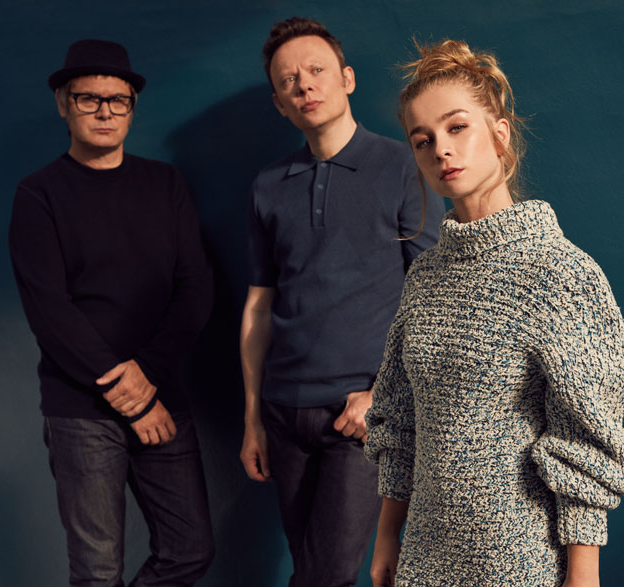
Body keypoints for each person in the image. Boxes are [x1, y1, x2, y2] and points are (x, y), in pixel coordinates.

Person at [365, 40, 624, 587]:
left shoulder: (560, 273)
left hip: (519, 561)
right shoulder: (425, 276)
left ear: (500, 134)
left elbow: (585, 438)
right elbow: (400, 419)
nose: (441, 150)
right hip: (424, 558)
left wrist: (583, 573)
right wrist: (387, 538)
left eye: (457, 127)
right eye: (423, 140)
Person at [239, 17, 444, 587]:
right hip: (282, 412)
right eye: (288, 80)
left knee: (325, 576)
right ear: (280, 103)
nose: (304, 84)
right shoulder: (267, 185)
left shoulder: (404, 166)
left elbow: (433, 297)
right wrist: (253, 418)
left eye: (316, 70)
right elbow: (258, 307)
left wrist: (385, 395)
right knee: (309, 570)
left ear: (346, 79)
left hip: (359, 417)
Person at [8, 39, 215, 586]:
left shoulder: (165, 185)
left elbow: (195, 289)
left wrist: (147, 378)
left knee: (190, 550)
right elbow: (49, 310)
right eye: (88, 99)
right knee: (98, 573)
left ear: (131, 108)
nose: (104, 111)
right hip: (80, 410)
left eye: (117, 100)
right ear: (63, 103)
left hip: (163, 397)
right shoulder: (39, 195)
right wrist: (130, 394)